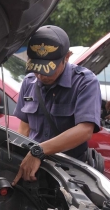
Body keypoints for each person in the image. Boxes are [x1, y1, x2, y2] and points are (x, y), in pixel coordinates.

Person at [11, 25, 101, 184]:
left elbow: (85, 131)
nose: (40, 75)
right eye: (36, 68)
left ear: (67, 56)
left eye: (47, 70)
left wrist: (38, 152)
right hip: (34, 167)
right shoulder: (29, 82)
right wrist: (18, 158)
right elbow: (24, 128)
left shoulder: (85, 82)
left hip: (69, 171)